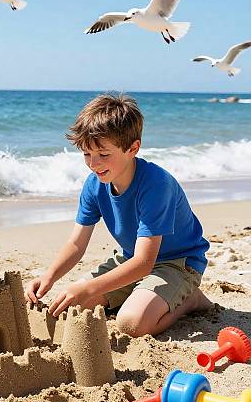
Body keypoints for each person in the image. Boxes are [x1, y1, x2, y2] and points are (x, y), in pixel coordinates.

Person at [24, 93, 212, 337]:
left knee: (132, 324)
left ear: (133, 148)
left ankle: (190, 300)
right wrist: (48, 277)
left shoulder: (156, 185)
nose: (93, 164)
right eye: (86, 154)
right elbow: (76, 244)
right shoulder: (95, 183)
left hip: (177, 264)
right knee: (72, 307)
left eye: (103, 155)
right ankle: (142, 296)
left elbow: (145, 263)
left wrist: (88, 287)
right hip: (130, 260)